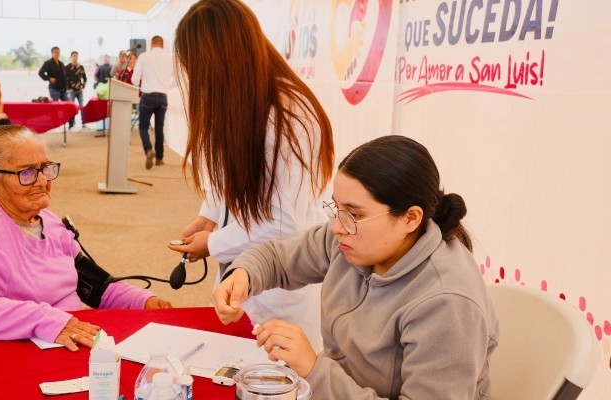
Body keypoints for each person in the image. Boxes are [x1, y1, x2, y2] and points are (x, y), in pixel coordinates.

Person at [213, 135, 500, 398]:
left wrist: (314, 370)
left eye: (354, 214)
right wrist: (243, 274)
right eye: (336, 208)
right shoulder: (352, 238)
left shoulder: (447, 303)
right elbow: (279, 259)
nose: (337, 227)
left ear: (411, 218)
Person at [167, 0, 334, 350]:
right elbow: (229, 176)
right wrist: (208, 216)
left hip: (282, 288)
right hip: (248, 276)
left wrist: (212, 244)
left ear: (220, 60)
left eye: (197, 68)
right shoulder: (238, 103)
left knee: (281, 373)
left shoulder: (289, 117)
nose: (197, 81)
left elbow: (282, 224)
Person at [0, 125, 172, 349]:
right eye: (26, 173)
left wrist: (142, 301)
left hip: (67, 338)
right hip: (21, 352)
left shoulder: (47, 220)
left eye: (45, 168)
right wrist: (46, 320)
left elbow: (91, 284)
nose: (42, 181)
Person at [131, 36, 174, 169]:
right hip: (162, 97)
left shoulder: (144, 56)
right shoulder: (169, 58)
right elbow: (173, 80)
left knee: (143, 126)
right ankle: (159, 159)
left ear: (151, 44)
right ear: (163, 45)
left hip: (148, 97)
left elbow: (134, 80)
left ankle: (149, 150)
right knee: (159, 128)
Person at [65, 51, 87, 128]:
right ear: (71, 57)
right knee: (71, 107)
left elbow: (85, 78)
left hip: (79, 90)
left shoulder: (81, 67)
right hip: (71, 91)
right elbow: (65, 78)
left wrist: (82, 86)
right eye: (74, 56)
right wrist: (69, 88)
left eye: (76, 56)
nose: (75, 57)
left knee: (81, 106)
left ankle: (84, 123)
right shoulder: (67, 67)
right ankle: (72, 124)